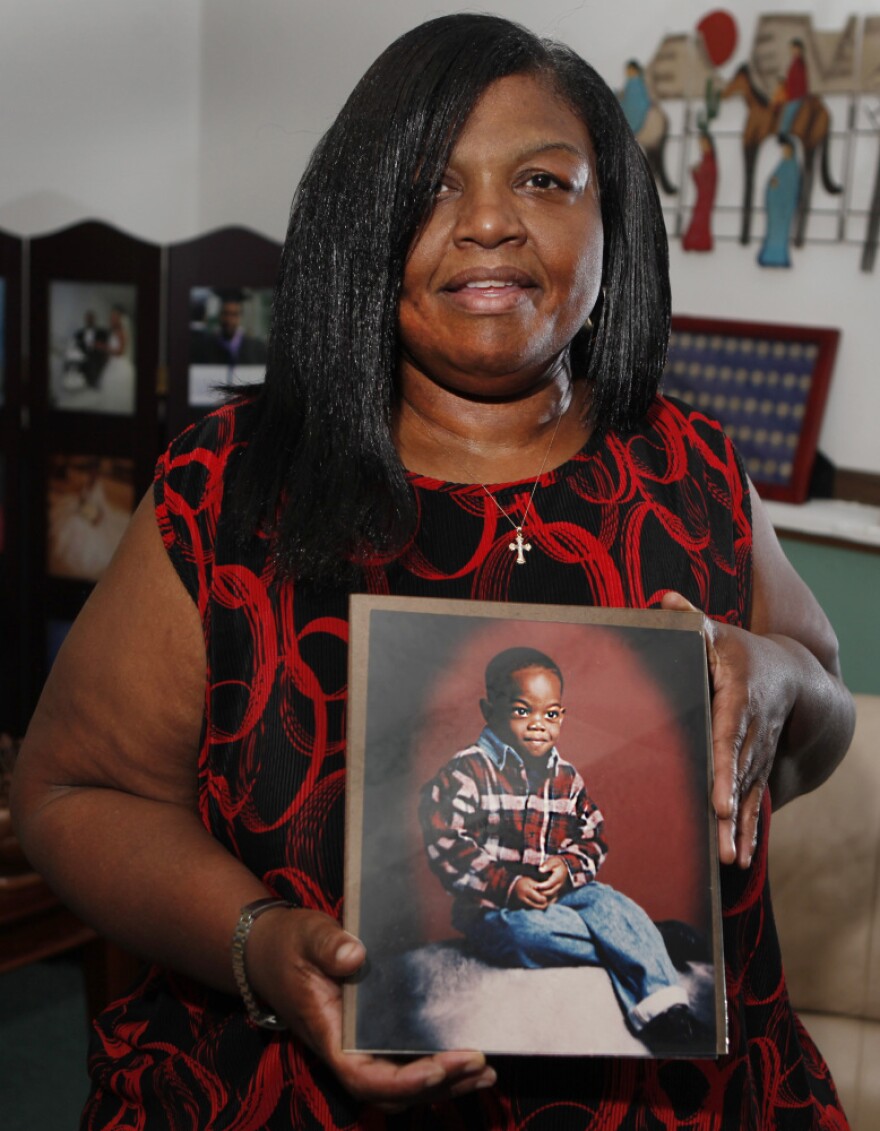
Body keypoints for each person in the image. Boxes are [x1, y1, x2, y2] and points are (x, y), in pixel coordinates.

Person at [12, 13, 855, 1129]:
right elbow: (72, 793)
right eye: (432, 184)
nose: (493, 222)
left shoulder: (695, 470)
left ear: (611, 221)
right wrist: (264, 948)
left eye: (546, 181)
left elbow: (818, 710)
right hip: (293, 1090)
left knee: (627, 926)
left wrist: (783, 681)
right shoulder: (224, 490)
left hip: (681, 1102)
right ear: (359, 220)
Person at [419, 646, 702, 1054]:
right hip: (496, 908)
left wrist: (567, 867)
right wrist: (508, 884)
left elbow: (593, 837)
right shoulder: (467, 771)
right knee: (525, 935)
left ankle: (665, 1012)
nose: (539, 726)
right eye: (522, 711)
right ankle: (647, 939)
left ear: (562, 716)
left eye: (550, 714)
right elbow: (446, 840)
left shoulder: (567, 778)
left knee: (610, 901)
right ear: (488, 710)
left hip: (563, 897)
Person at [759, 135, 801, 267]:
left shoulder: (792, 167)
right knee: (772, 233)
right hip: (775, 208)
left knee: (780, 234)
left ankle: (779, 258)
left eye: (786, 149)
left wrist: (777, 184)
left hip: (783, 209)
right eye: (784, 149)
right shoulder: (783, 164)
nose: (784, 151)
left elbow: (791, 187)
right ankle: (770, 257)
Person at [682, 131, 718, 252]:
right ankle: (696, 242)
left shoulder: (710, 161)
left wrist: (697, 172)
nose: (701, 146)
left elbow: (709, 179)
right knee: (698, 220)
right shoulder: (705, 160)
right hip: (702, 197)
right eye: (700, 143)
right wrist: (695, 172)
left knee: (700, 220)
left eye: (703, 143)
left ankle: (699, 242)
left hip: (705, 198)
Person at [771, 38, 809, 136]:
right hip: (791, 94)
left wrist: (794, 94)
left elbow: (800, 81)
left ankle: (784, 135)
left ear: (800, 50)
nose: (793, 51)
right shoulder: (794, 63)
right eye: (792, 49)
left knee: (786, 118)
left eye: (795, 49)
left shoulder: (799, 64)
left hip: (796, 96)